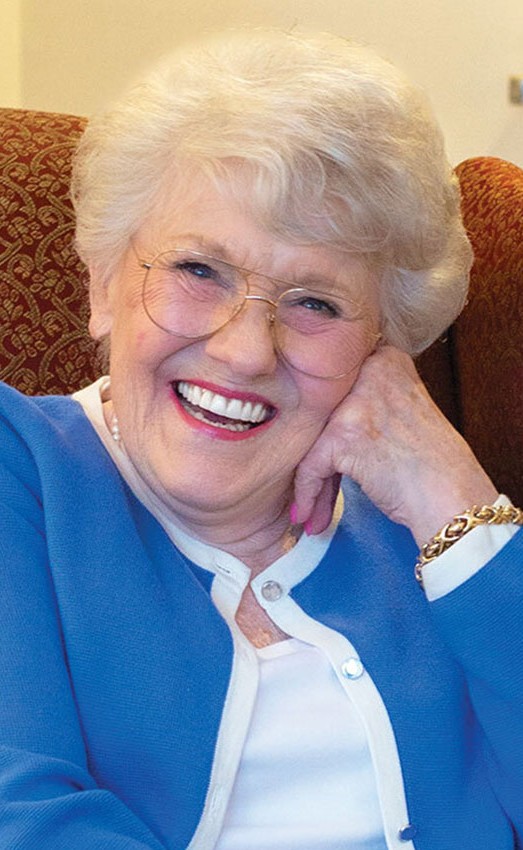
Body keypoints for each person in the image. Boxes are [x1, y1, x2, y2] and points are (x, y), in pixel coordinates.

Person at [0, 28, 522, 850]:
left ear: (383, 347)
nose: (245, 350)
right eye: (197, 270)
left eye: (316, 303)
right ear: (102, 280)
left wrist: (449, 495)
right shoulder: (19, 468)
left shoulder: (428, 534)